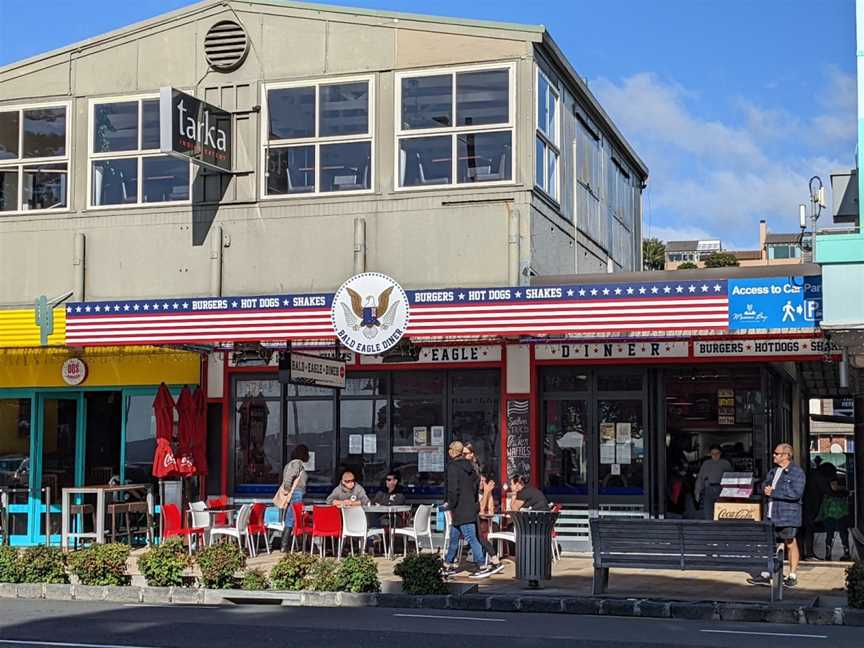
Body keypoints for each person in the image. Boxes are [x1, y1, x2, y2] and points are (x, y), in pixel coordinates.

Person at [748, 443, 806, 588]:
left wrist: (773, 492)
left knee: (790, 543)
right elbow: (764, 485)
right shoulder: (773, 471)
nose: (773, 455)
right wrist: (764, 488)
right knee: (770, 544)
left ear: (787, 455)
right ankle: (768, 573)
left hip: (787, 515)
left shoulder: (797, 472)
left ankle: (792, 575)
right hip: (770, 513)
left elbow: (796, 493)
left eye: (777, 453)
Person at [442, 441, 494, 578]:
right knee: (454, 538)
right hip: (470, 506)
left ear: (453, 451)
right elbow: (476, 487)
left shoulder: (452, 467)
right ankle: (447, 565)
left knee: (471, 538)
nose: (448, 451)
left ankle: (482, 565)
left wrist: (450, 504)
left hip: (460, 508)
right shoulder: (471, 467)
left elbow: (453, 489)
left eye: (449, 449)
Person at [800, 461, 836, 560]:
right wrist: (843, 492)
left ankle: (804, 553)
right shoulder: (819, 477)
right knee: (809, 529)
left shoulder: (813, 474)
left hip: (807, 505)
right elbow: (828, 491)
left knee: (805, 530)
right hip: (809, 506)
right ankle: (809, 553)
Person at [473, 469, 505, 578]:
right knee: (481, 535)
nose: (482, 483)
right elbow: (481, 509)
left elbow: (491, 510)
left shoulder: (484, 492)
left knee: (490, 530)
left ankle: (491, 561)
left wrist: (488, 493)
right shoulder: (474, 494)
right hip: (474, 521)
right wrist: (486, 492)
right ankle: (487, 562)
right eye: (481, 481)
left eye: (484, 481)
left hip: (481, 522)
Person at [279, 444, 309, 553]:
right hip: (296, 493)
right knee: (292, 518)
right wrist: (288, 490)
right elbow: (288, 480)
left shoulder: (292, 464)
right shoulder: (297, 463)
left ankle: (288, 545)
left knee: (292, 518)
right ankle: (285, 545)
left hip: (295, 493)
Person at [694, 445, 732, 520]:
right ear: (710, 454)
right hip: (708, 489)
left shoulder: (725, 463)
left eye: (717, 453)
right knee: (708, 513)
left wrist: (730, 492)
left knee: (722, 513)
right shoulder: (706, 464)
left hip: (721, 490)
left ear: (720, 453)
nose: (715, 455)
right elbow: (700, 478)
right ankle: (709, 529)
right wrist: (697, 492)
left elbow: (731, 478)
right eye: (712, 453)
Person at [818, 478, 851, 561]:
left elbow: (823, 507)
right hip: (836, 517)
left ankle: (831, 554)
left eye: (836, 484)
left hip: (834, 517)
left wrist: (821, 516)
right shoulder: (843, 494)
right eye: (833, 484)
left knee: (837, 535)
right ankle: (842, 553)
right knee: (838, 535)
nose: (834, 486)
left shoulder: (829, 495)